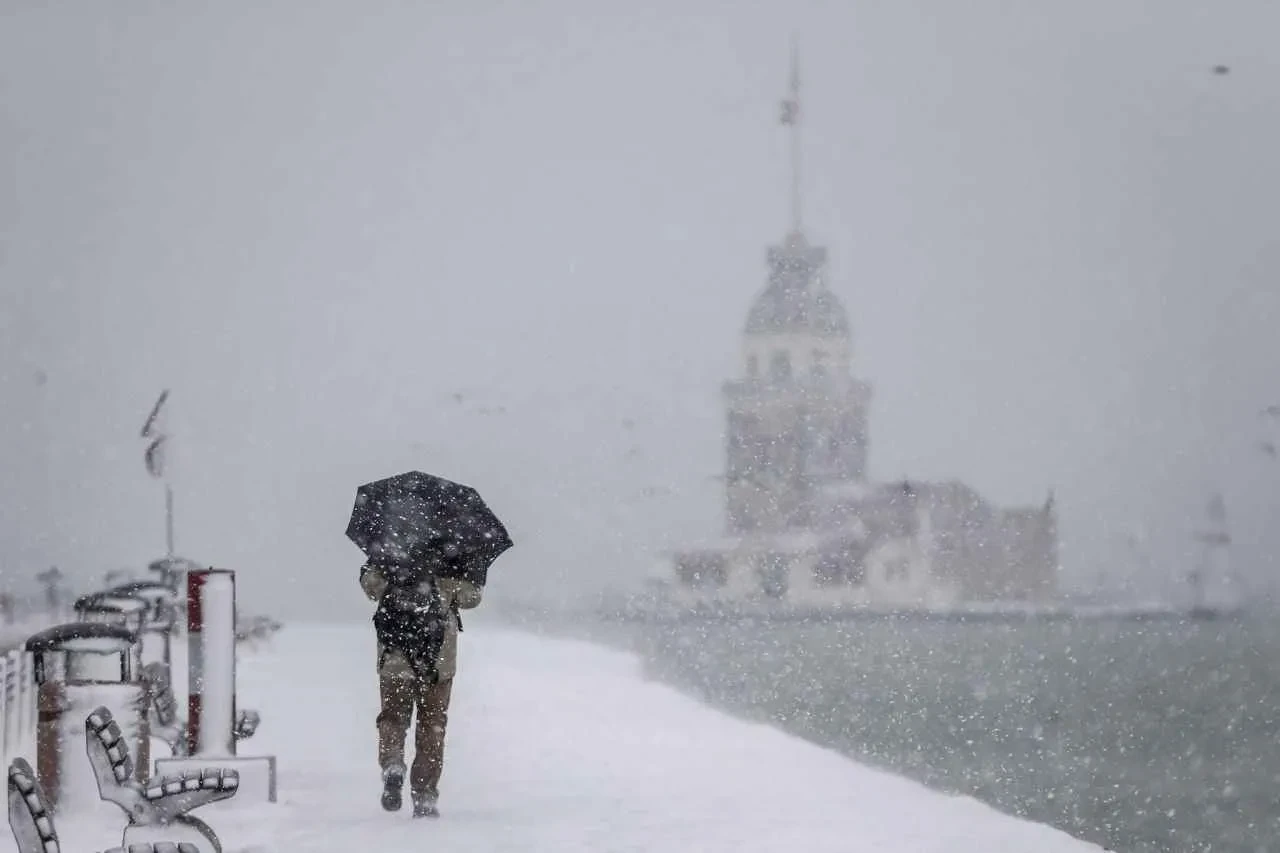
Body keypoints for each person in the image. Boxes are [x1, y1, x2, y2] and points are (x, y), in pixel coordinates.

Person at [360, 558, 483, 818]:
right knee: (432, 724)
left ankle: (392, 764)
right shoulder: (452, 555)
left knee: (392, 717)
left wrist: (374, 569)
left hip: (395, 658)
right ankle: (425, 794)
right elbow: (471, 598)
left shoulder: (390, 550)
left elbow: (371, 587)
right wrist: (469, 573)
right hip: (437, 662)